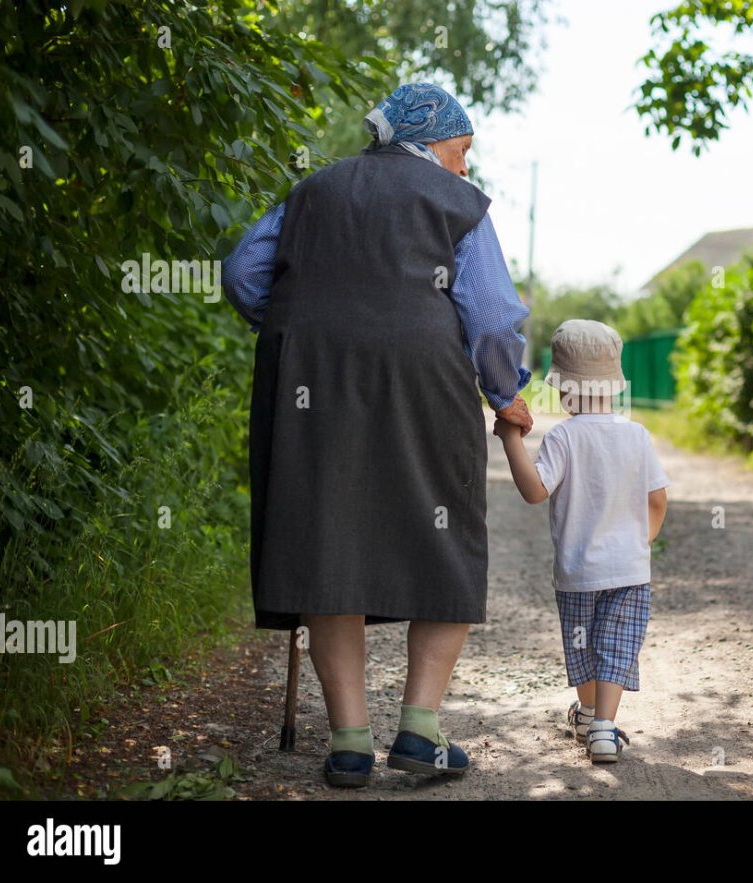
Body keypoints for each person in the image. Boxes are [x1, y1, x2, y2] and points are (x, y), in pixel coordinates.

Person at [221, 82, 534, 787]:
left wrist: (306, 323)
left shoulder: (313, 191)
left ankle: (350, 743)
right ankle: (420, 732)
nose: (464, 167)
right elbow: (488, 316)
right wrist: (505, 392)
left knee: (325, 534)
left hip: (313, 378)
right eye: (461, 151)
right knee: (444, 535)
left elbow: (242, 272)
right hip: (426, 380)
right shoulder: (461, 203)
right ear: (430, 141)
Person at [494, 319, 669, 763]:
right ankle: (604, 730)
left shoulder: (563, 437)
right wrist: (641, 543)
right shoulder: (637, 435)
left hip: (577, 571)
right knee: (616, 647)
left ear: (563, 389)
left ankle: (589, 714)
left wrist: (511, 439)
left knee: (582, 646)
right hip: (629, 569)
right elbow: (658, 501)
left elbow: (535, 491)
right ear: (614, 384)